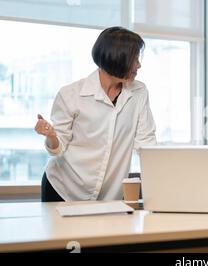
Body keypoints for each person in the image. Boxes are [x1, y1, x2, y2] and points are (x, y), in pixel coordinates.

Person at [35, 26, 157, 202]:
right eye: (134, 58)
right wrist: (51, 135)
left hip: (108, 195)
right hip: (63, 190)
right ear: (116, 58)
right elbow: (57, 149)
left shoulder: (139, 92)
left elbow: (146, 142)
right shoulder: (71, 94)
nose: (139, 65)